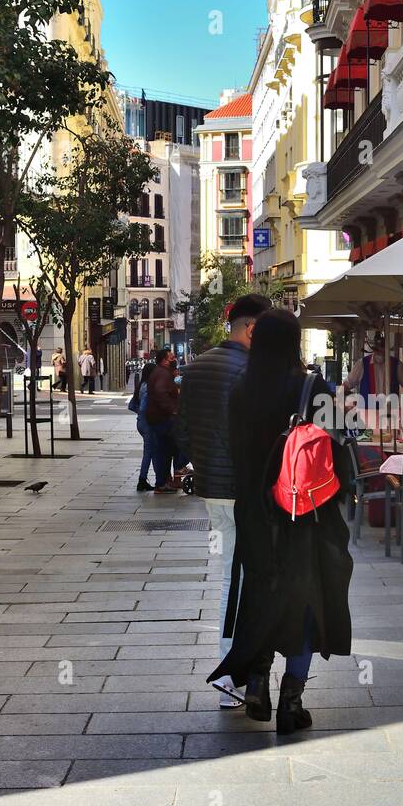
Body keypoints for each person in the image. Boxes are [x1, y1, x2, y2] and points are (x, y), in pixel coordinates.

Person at [207, 309, 354, 735]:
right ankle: (292, 700)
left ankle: (256, 684)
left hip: (255, 512)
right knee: (305, 603)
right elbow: (336, 445)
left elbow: (236, 453)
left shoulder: (240, 390)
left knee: (260, 597)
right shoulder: (311, 386)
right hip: (305, 515)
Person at [176, 294, 272, 709]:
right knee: (238, 582)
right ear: (252, 329)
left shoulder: (195, 367)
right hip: (244, 490)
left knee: (237, 577)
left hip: (213, 487)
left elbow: (183, 430)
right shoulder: (253, 370)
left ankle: (239, 672)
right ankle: (231, 675)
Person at [136, 348, 180, 494]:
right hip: (162, 418)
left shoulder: (159, 372)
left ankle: (163, 481)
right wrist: (171, 409)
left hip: (157, 417)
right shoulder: (162, 374)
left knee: (163, 450)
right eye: (171, 357)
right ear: (164, 360)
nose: (174, 358)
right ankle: (162, 482)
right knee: (167, 450)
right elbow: (161, 392)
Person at [344, 334, 403, 399]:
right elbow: (348, 383)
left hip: (390, 412)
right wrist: (340, 398)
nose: (380, 353)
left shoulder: (396, 364)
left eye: (382, 350)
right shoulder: (362, 364)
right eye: (377, 350)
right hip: (367, 413)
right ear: (373, 350)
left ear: (387, 350)